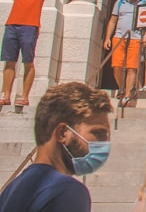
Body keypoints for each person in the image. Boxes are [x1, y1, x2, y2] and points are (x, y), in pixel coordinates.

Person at [0, 81, 112, 212]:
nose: (105, 142)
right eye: (98, 133)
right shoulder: (67, 191)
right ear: (62, 133)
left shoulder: (12, 189)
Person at [0, 0, 54, 107]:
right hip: (12, 25)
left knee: (28, 62)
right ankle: (5, 95)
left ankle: (24, 96)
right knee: (9, 61)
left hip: (30, 27)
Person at [104, 0, 146, 105]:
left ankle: (127, 94)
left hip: (135, 38)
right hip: (119, 37)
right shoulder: (120, 2)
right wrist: (108, 37)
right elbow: (113, 20)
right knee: (117, 65)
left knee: (132, 67)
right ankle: (122, 87)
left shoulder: (145, 3)